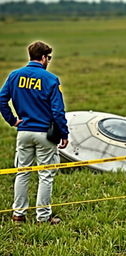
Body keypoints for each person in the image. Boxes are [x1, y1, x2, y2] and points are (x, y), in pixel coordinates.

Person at [0, 41, 69, 224]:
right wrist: (64, 133)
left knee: (22, 172)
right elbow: (58, 112)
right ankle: (43, 217)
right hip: (45, 133)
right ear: (44, 57)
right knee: (45, 175)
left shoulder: (15, 76)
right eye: (49, 58)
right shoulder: (51, 79)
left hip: (23, 132)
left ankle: (18, 215)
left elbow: (1, 100)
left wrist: (13, 120)